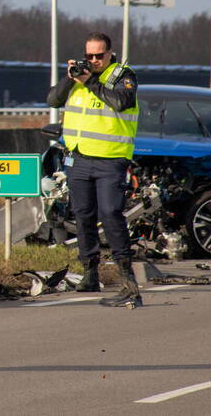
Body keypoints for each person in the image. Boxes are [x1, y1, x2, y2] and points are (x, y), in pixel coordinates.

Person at [46, 31, 141, 308]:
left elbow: (121, 102)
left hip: (111, 159)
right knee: (82, 215)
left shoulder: (122, 75)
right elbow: (53, 99)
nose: (95, 60)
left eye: (100, 55)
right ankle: (89, 273)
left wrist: (91, 82)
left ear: (110, 53)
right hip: (78, 158)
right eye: (90, 56)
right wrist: (71, 77)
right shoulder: (79, 77)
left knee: (110, 213)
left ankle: (128, 282)